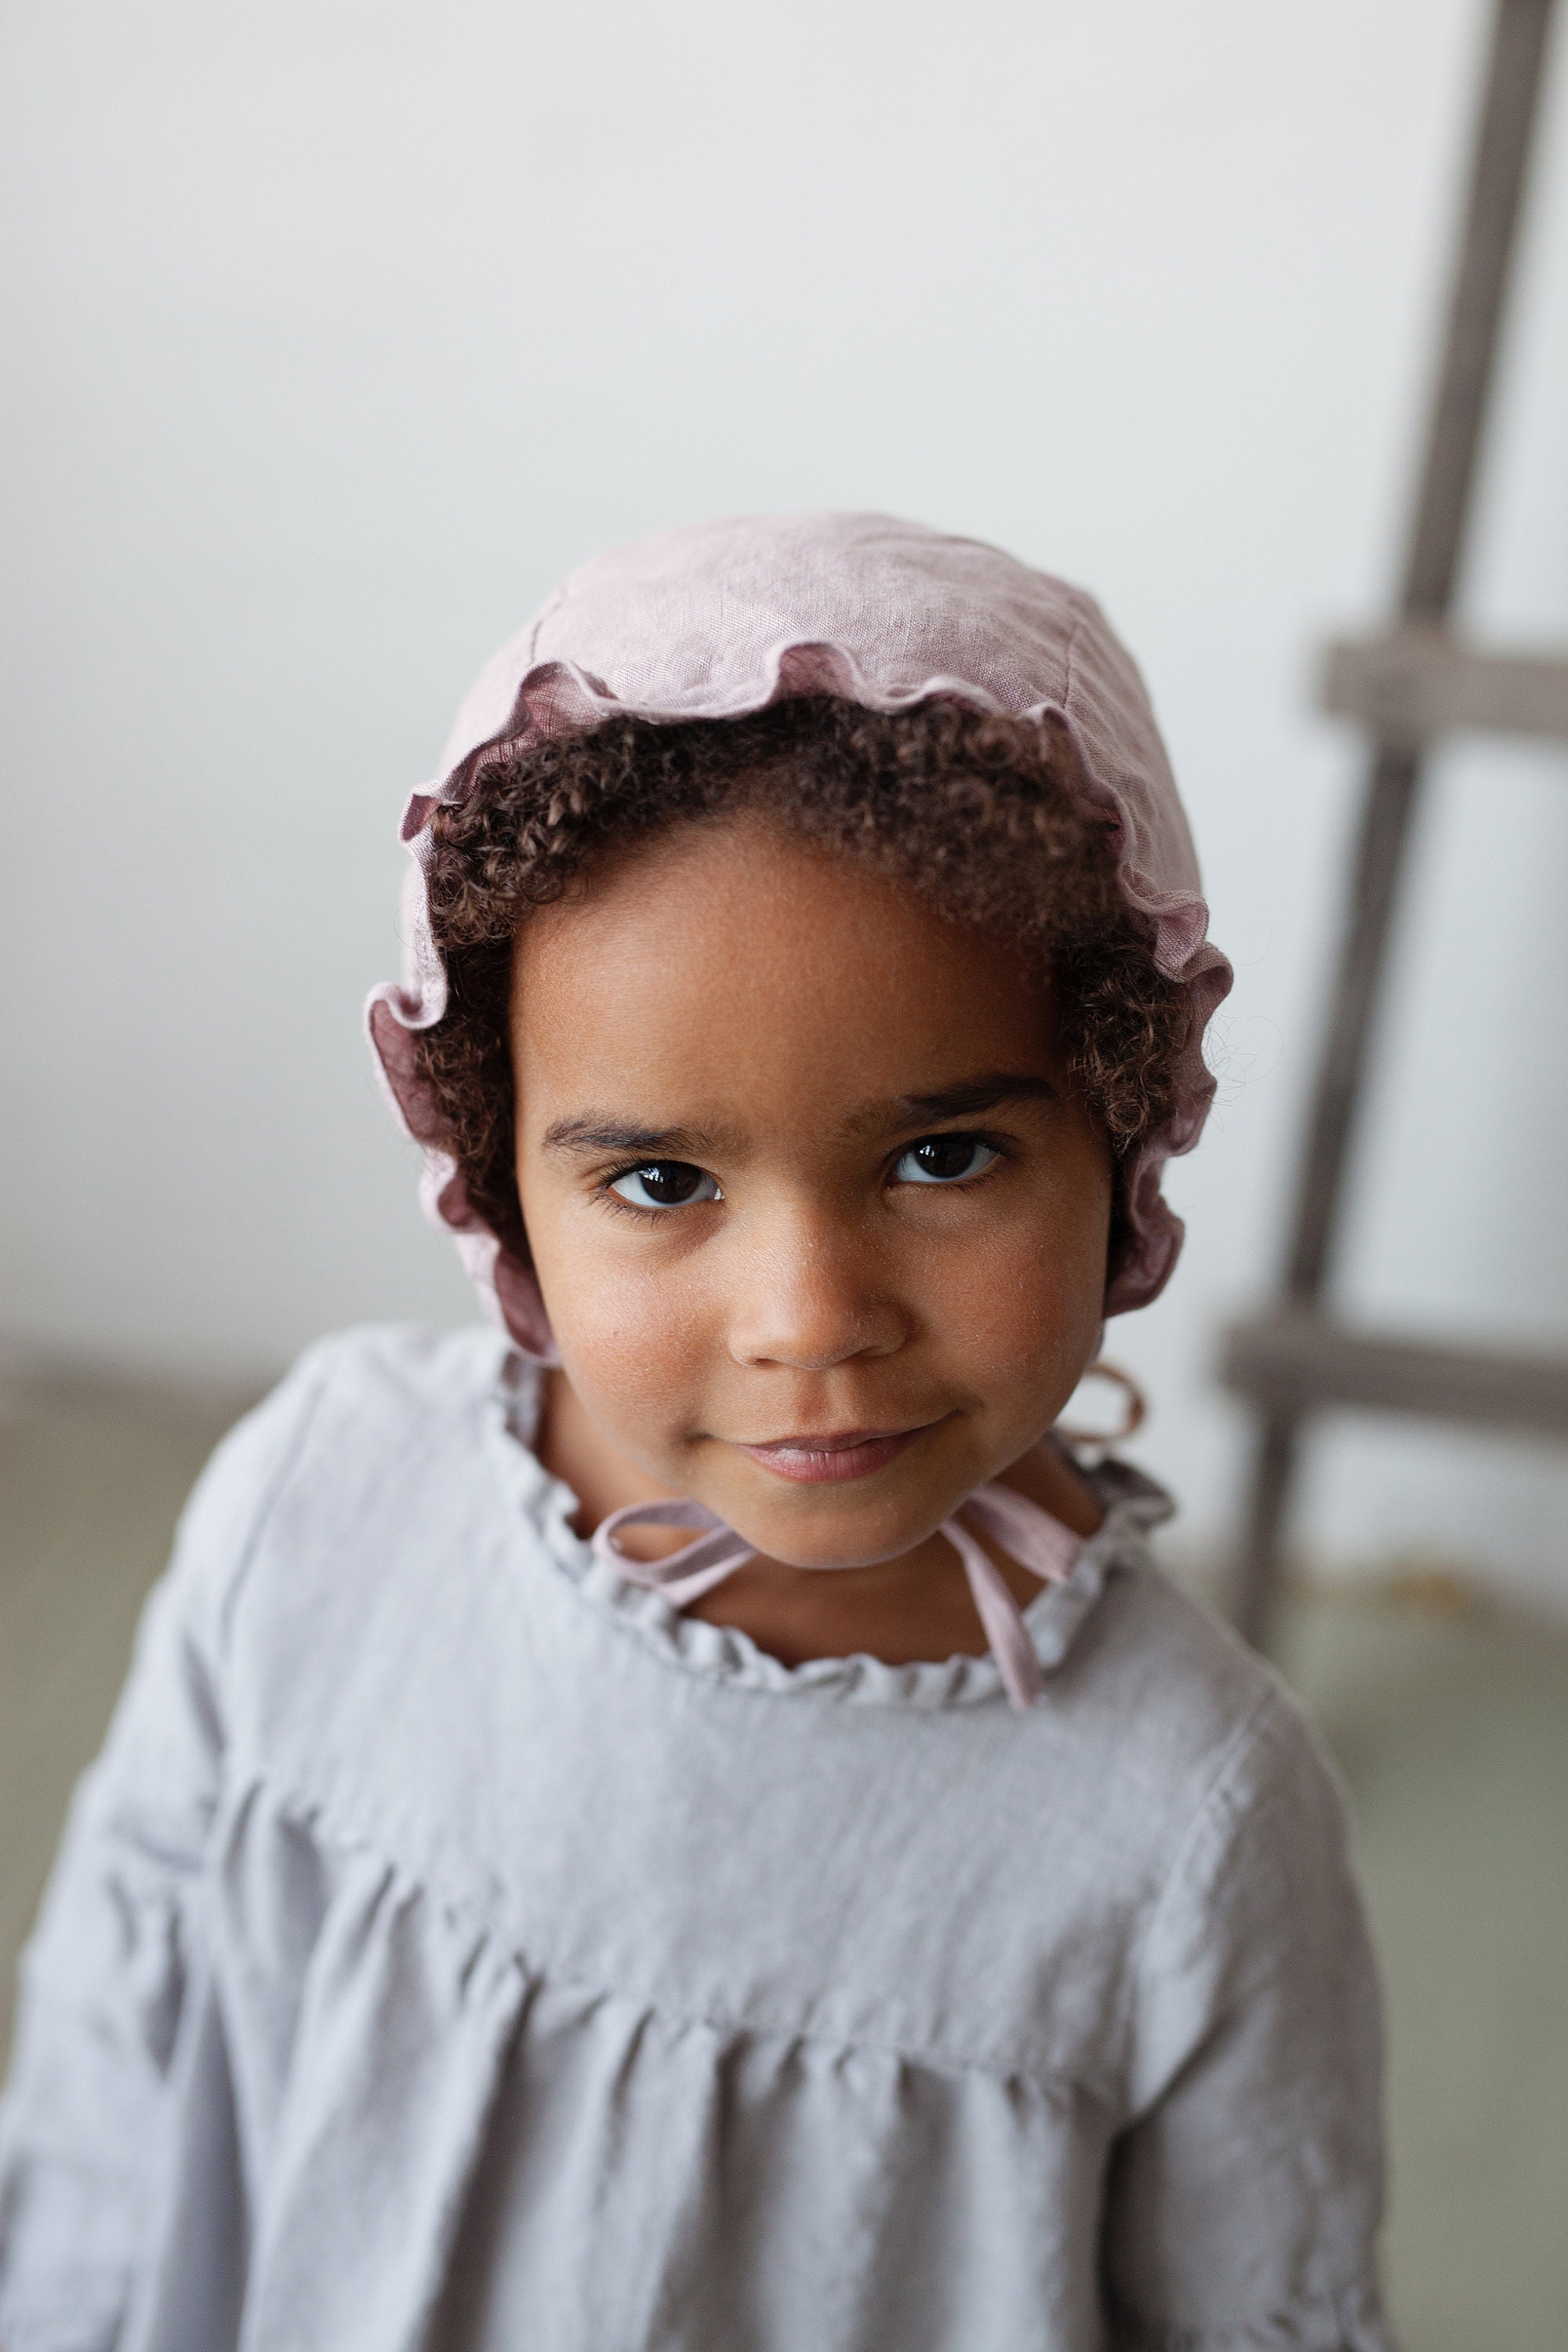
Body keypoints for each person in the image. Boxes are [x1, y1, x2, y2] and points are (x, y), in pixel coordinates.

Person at [0, 514, 1392, 2350]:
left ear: (1123, 1141)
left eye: (943, 1155)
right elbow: (109, 2066)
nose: (809, 1318)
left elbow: (1269, 2314)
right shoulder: (319, 1510)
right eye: (660, 1178)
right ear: (496, 1177)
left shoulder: (1192, 1815)